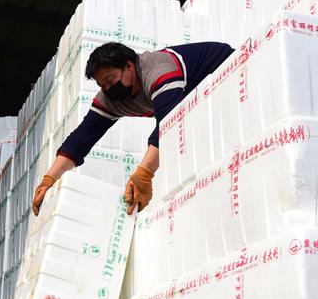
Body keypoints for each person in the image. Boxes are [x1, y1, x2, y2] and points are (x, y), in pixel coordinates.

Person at [32, 41, 235, 216]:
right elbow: (82, 138)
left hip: (227, 70)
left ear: (129, 66)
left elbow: (169, 124)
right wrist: (49, 179)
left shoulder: (158, 70)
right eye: (102, 85)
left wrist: (144, 173)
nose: (108, 88)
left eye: (110, 80)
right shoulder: (111, 98)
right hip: (196, 101)